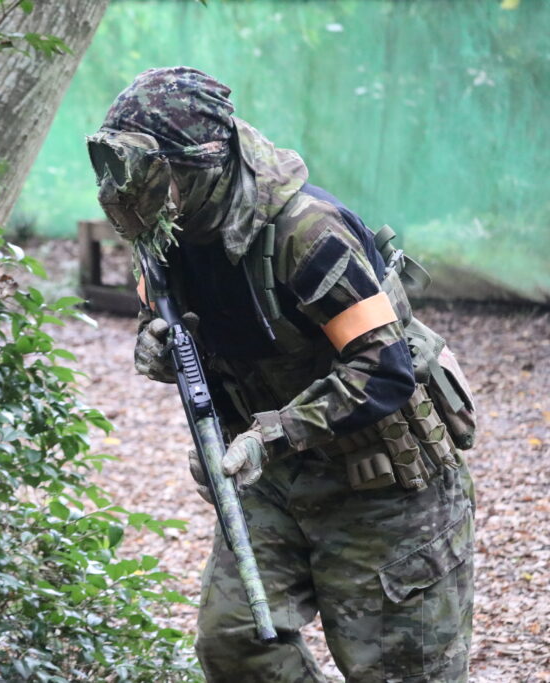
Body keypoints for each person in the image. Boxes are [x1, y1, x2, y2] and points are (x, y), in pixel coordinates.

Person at [86, 67, 477, 682]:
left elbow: (384, 369)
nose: (132, 193)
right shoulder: (165, 231)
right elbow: (160, 323)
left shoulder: (309, 233)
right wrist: (158, 347)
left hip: (383, 485)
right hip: (271, 479)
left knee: (400, 672)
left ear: (200, 164)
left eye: (152, 175)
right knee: (236, 643)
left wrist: (270, 436)